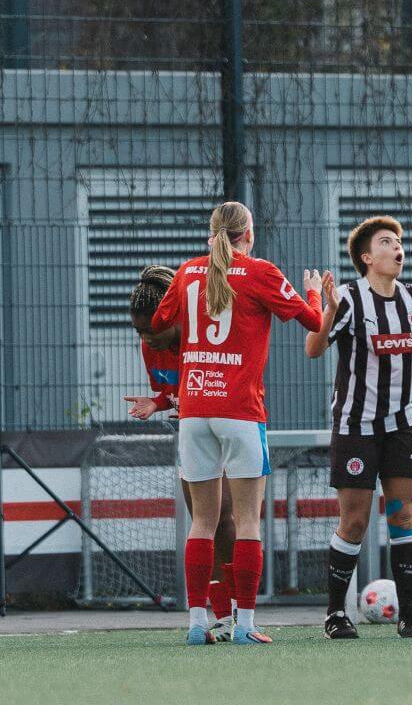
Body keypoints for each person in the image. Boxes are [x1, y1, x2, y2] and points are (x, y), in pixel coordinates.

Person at [151, 201, 327, 645]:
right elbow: (314, 322)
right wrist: (314, 293)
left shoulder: (187, 272)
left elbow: (157, 324)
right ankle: (246, 625)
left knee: (202, 522)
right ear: (248, 234)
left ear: (212, 233)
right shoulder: (260, 272)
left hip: (194, 410)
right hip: (241, 411)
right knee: (248, 521)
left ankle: (197, 624)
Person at [304, 216, 412, 639]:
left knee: (402, 514)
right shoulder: (349, 299)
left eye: (399, 242)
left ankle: (409, 613)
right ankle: (336, 613)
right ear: (367, 257)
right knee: (354, 521)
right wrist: (327, 310)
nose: (397, 248)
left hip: (403, 425)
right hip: (356, 426)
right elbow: (313, 349)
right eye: (386, 242)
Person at [126, 266, 237, 641]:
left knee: (225, 518)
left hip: (224, 428)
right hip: (192, 433)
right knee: (204, 521)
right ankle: (217, 616)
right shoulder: (150, 347)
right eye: (139, 331)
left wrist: (186, 402)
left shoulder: (200, 339)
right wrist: (157, 403)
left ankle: (239, 611)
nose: (146, 338)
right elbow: (172, 391)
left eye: (151, 329)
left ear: (172, 316)